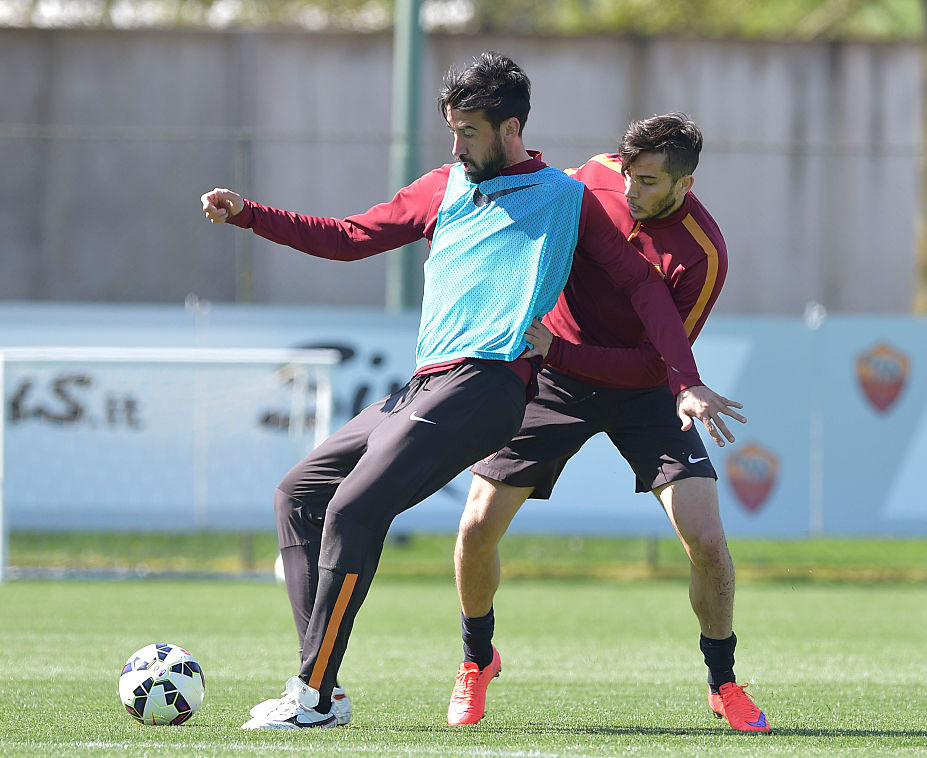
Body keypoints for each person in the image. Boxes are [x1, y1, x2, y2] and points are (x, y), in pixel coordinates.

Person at [201, 55, 733, 730]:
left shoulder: (565, 197)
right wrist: (252, 215)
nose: (456, 146)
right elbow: (351, 236)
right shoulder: (444, 184)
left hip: (489, 382)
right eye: (451, 130)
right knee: (300, 495)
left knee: (355, 512)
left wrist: (685, 382)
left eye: (469, 132)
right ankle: (324, 689)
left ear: (510, 128)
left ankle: (310, 696)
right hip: (426, 383)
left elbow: (642, 286)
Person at [446, 113, 769, 733]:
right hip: (553, 380)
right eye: (629, 174)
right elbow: (527, 221)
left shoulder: (703, 254)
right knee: (476, 526)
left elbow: (658, 358)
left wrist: (681, 385)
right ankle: (475, 660)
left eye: (650, 182)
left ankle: (723, 681)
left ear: (686, 183)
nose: (631, 192)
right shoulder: (589, 178)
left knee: (706, 540)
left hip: (645, 393)